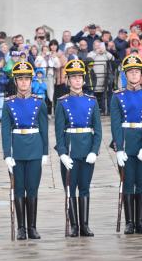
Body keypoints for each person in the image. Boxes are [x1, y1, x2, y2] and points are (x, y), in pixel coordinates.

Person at [1, 61, 48, 240]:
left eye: (26, 79)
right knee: (19, 189)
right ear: (16, 81)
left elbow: (43, 128)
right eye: (20, 79)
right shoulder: (8, 103)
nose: (23, 83)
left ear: (31, 81)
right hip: (17, 149)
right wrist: (7, 154)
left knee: (32, 189)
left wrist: (44, 152)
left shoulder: (39, 102)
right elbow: (5, 130)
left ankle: (32, 227)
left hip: (34, 147)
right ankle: (21, 227)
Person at [110, 54, 142, 235]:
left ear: (141, 74)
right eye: (131, 72)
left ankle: (140, 221)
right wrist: (119, 148)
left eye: (137, 72)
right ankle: (129, 222)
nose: (134, 75)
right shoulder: (118, 96)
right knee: (128, 183)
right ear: (126, 75)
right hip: (126, 141)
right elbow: (115, 124)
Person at [55, 59, 102, 237]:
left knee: (85, 187)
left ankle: (85, 224)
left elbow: (97, 130)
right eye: (73, 77)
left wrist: (94, 151)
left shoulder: (92, 101)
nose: (76, 81)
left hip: (87, 149)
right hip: (70, 151)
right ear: (68, 80)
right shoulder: (62, 102)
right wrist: (61, 154)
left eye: (79, 77)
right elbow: (59, 132)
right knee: (70, 188)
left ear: (83, 80)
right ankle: (74, 225)